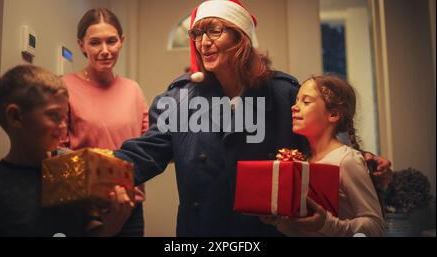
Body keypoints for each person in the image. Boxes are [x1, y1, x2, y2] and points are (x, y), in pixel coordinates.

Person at [114, 0, 391, 236]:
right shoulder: (180, 98)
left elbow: (322, 143)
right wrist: (90, 167)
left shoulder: (282, 93)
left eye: (215, 31)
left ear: (240, 37)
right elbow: (145, 153)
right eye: (197, 33)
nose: (204, 42)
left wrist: (365, 160)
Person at [0, 65, 134, 236]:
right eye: (54, 116)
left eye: (65, 117)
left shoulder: (74, 173)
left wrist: (111, 226)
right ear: (16, 117)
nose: (64, 126)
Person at [261, 75, 385, 236]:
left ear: (333, 114)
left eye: (306, 102)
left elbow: (375, 227)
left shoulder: (347, 160)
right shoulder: (304, 162)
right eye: (297, 100)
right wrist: (280, 221)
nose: (294, 107)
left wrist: (327, 223)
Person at [61, 8, 148, 237]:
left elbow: (148, 147)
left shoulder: (133, 90)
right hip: (83, 210)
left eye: (111, 41)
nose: (105, 51)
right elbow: (56, 153)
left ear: (122, 41)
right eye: (95, 43)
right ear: (82, 45)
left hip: (130, 208)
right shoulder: (63, 88)